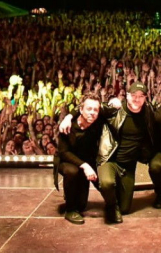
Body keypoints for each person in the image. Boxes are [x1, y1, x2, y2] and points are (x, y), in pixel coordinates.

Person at [60, 82, 155, 224]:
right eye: (134, 95)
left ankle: (112, 200)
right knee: (100, 182)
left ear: (145, 98)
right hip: (103, 159)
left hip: (124, 164)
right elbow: (87, 106)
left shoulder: (148, 112)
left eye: (141, 96)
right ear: (127, 96)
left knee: (124, 208)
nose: (137, 99)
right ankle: (77, 208)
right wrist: (68, 116)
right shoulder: (115, 110)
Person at [55, 93, 104, 224]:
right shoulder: (68, 126)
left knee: (82, 205)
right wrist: (85, 166)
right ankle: (70, 210)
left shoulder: (97, 121)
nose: (92, 112)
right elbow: (64, 152)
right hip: (68, 160)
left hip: (87, 159)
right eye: (89, 109)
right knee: (72, 172)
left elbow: (109, 108)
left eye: (95, 110)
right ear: (81, 110)